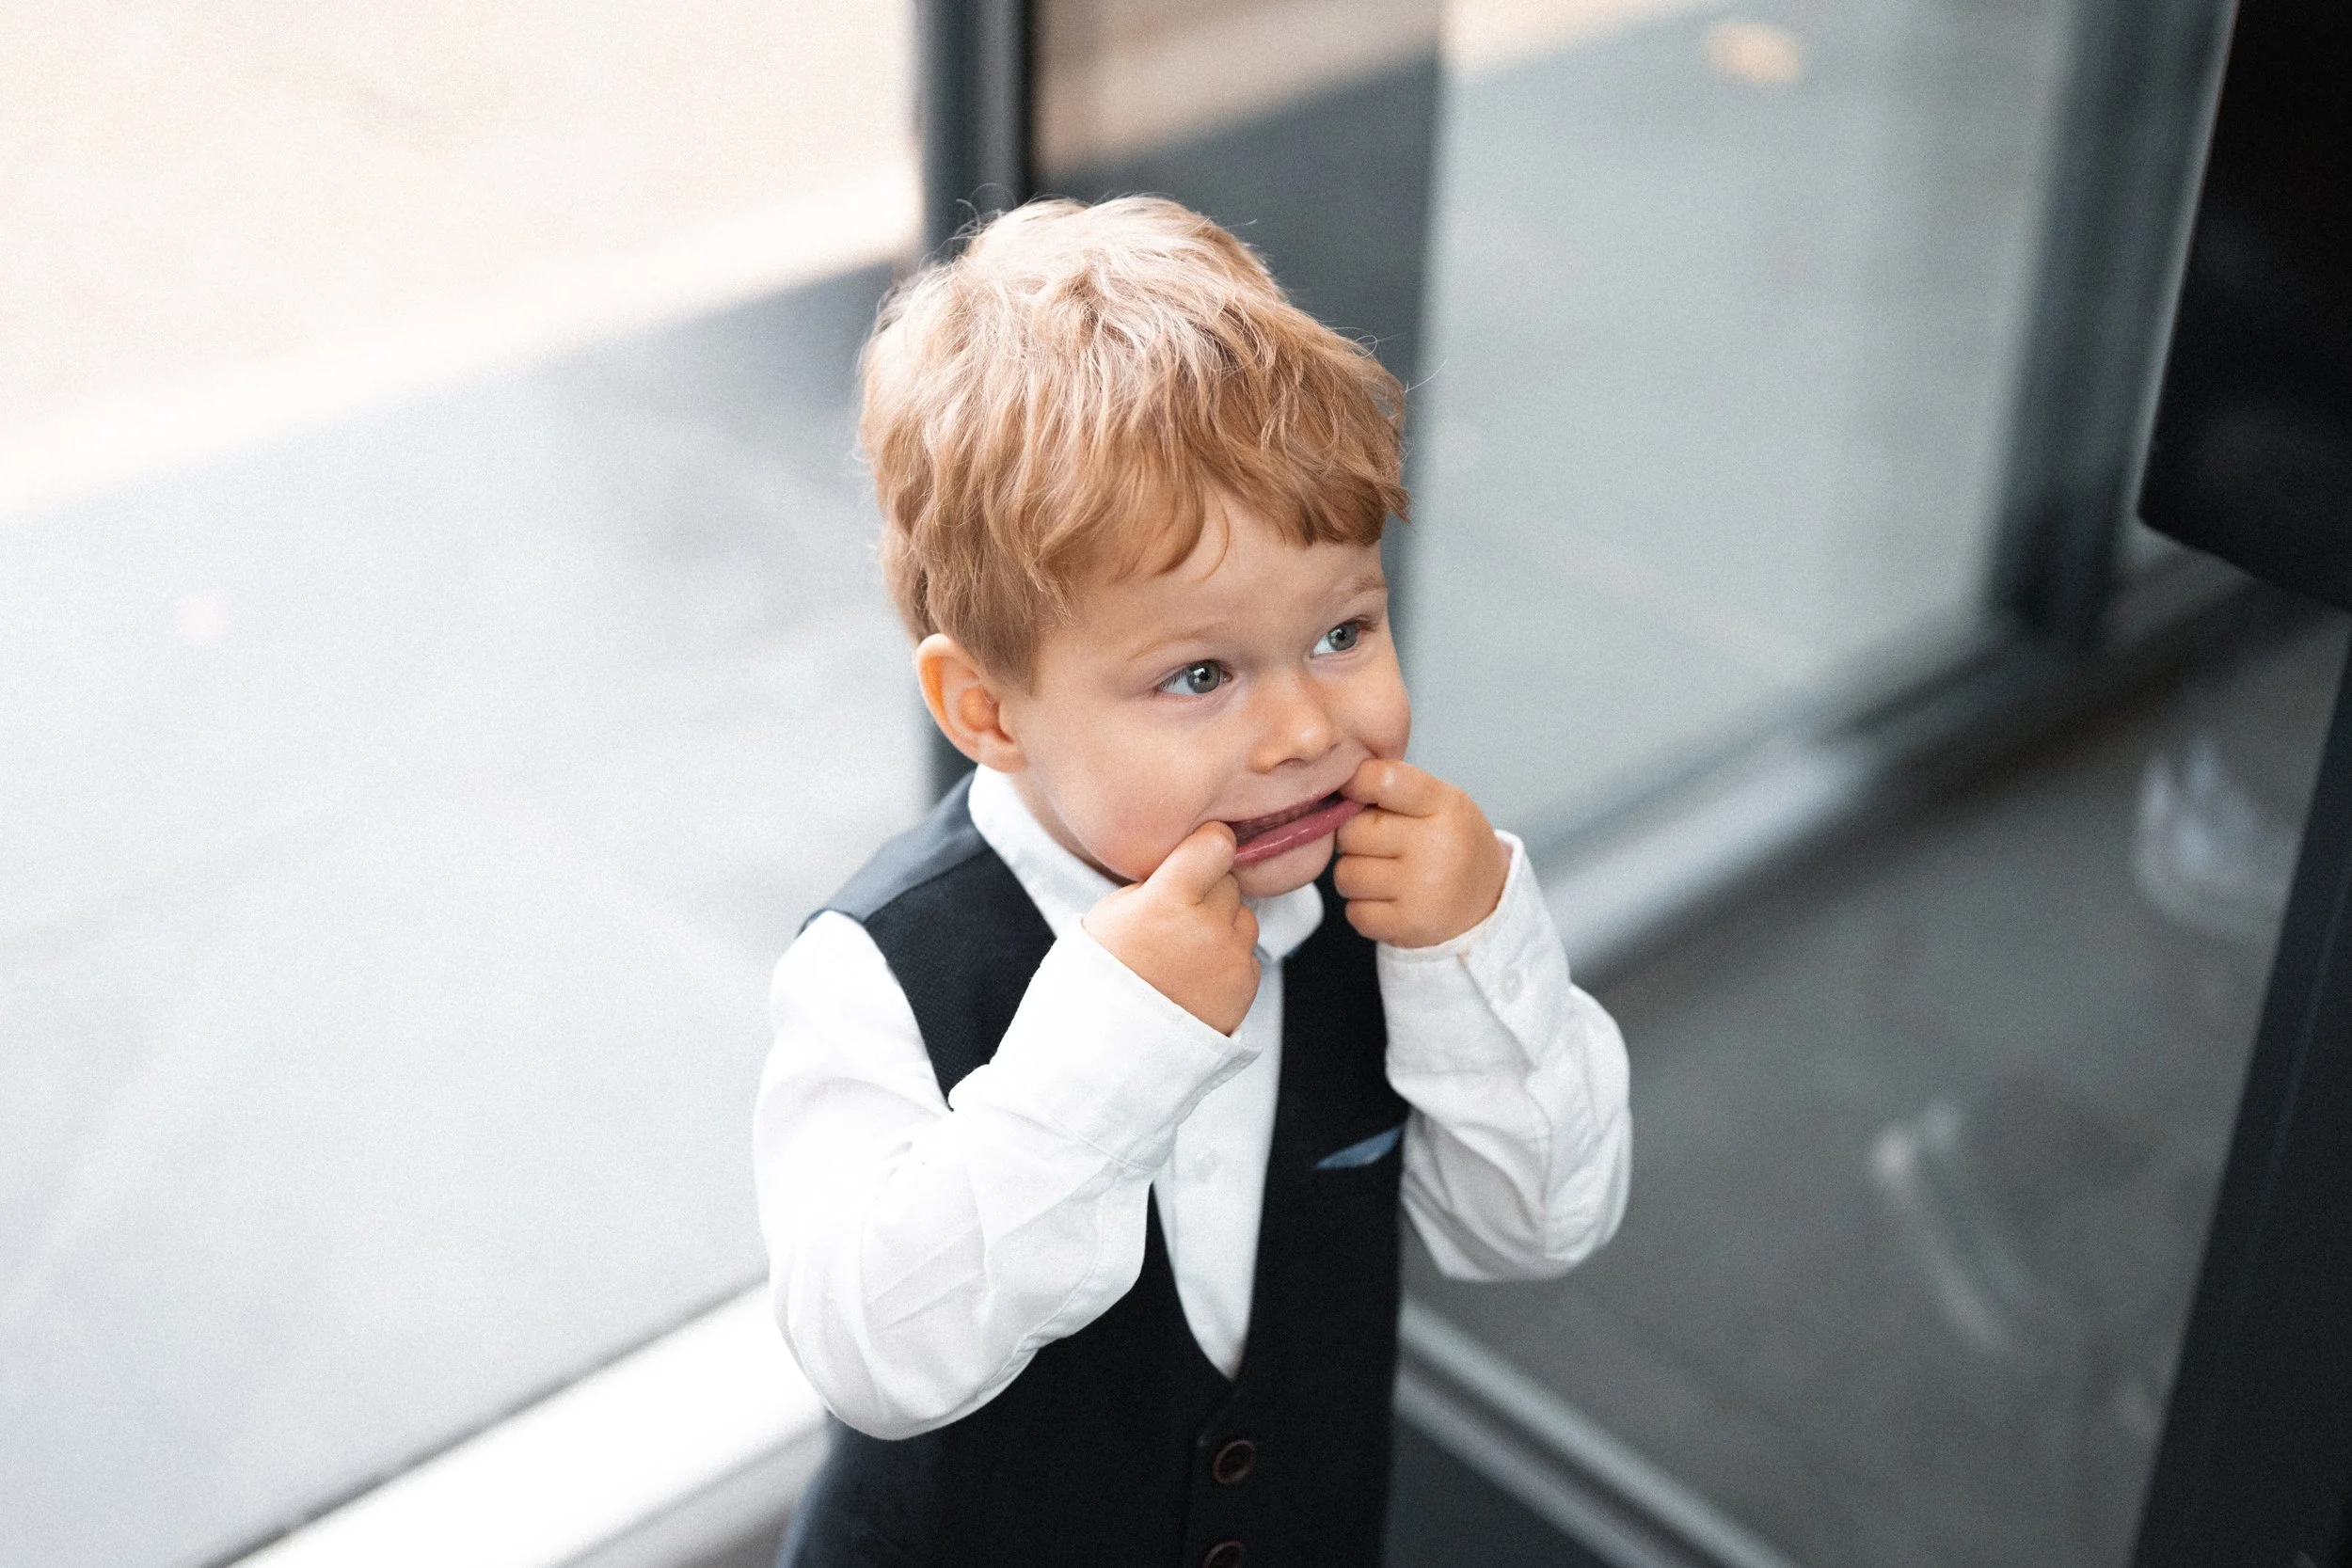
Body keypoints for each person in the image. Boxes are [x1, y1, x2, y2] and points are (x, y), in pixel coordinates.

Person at [754, 196, 1631, 1567]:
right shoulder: (885, 966)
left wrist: (1478, 961)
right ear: (986, 708)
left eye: (1343, 628)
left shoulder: (1393, 901)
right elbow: (872, 1346)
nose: (1301, 730)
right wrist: (1112, 1041)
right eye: (1201, 675)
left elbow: (1537, 1224)